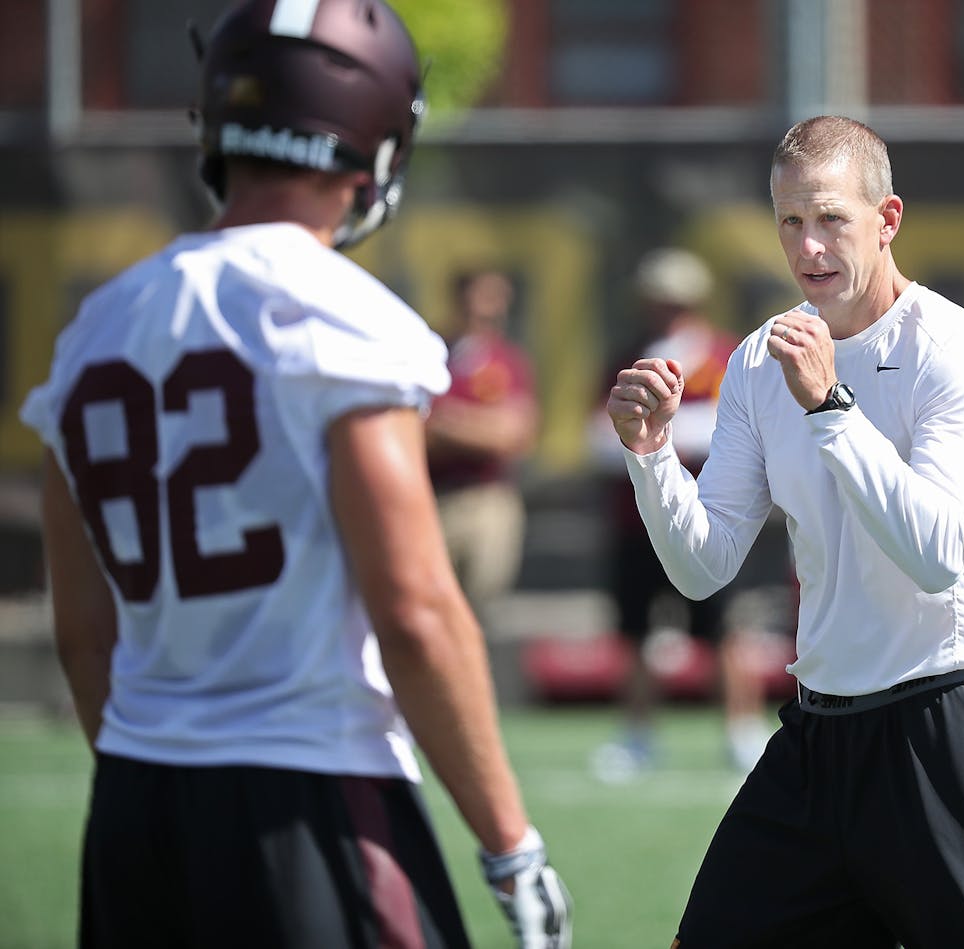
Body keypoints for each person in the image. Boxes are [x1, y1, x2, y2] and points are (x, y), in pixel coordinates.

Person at [19, 2, 569, 946]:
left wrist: (156, 768)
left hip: (133, 808)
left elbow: (84, 634)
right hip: (310, 792)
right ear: (373, 140)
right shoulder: (343, 318)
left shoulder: (95, 330)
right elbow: (415, 609)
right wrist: (509, 842)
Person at [607, 115, 964, 948]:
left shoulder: (951, 347)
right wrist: (652, 455)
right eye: (789, 221)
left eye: (831, 219)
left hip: (945, 723)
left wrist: (830, 407)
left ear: (887, 218)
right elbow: (703, 567)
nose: (809, 246)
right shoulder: (756, 360)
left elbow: (938, 556)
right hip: (818, 735)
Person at [590, 246, 774, 777]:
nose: (666, 310)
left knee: (726, 631)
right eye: (657, 300)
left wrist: (666, 430)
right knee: (635, 634)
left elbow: (737, 428)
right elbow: (597, 435)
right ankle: (637, 735)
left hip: (714, 515)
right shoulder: (626, 357)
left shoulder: (724, 357)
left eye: (675, 300)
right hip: (635, 519)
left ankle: (742, 732)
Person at [426, 268, 539, 621]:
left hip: (486, 500)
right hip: (433, 499)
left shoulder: (508, 360)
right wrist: (481, 424)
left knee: (477, 615)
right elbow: (415, 429)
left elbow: (513, 436)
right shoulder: (430, 353)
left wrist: (448, 422)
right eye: (483, 295)